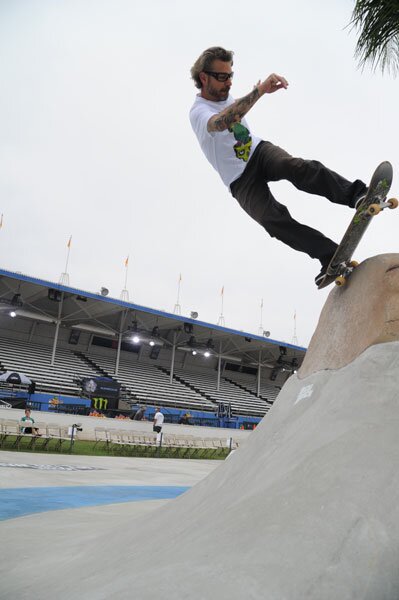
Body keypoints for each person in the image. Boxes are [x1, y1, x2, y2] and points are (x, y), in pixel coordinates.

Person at [189, 47, 368, 286]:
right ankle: (329, 255)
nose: (228, 83)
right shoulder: (198, 113)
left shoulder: (225, 92)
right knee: (272, 221)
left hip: (259, 152)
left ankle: (357, 194)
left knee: (295, 167)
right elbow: (222, 122)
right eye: (222, 77)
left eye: (231, 76)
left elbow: (236, 104)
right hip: (240, 182)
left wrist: (256, 89)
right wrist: (260, 91)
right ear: (203, 77)